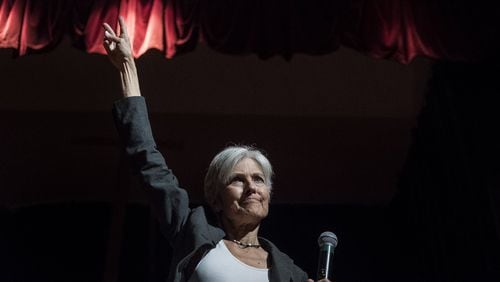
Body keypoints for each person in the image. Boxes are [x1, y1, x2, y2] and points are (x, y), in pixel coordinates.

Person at [103, 16, 330, 282]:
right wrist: (127, 66)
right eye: (237, 179)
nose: (252, 187)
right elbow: (148, 163)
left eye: (258, 179)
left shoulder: (291, 273)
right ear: (215, 197)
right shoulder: (193, 232)